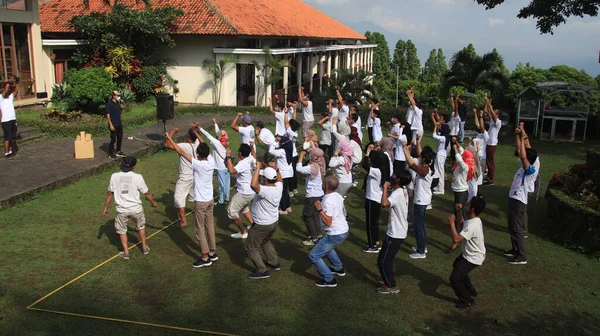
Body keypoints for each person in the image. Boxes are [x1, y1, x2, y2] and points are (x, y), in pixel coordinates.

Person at [165, 130, 218, 268]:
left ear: (199, 154)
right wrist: (196, 131)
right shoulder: (211, 160)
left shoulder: (198, 164)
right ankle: (213, 252)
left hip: (201, 202)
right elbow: (203, 143)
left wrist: (169, 137)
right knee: (210, 226)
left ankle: (205, 257)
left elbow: (181, 152)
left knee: (199, 229)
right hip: (210, 200)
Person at [102, 156, 158, 259]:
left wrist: (105, 208)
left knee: (122, 230)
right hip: (136, 209)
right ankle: (145, 248)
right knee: (141, 227)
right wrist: (153, 202)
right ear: (134, 167)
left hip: (121, 210)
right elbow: (147, 192)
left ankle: (126, 253)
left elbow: (110, 193)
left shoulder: (114, 176)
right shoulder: (138, 177)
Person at [504, 125, 539, 265]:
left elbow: (523, 154)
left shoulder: (530, 169)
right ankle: (515, 249)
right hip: (514, 198)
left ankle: (521, 255)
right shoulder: (524, 165)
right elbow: (521, 149)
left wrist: (522, 135)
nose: (520, 155)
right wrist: (517, 135)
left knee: (517, 228)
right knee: (512, 226)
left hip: (519, 201)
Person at [446, 195, 487, 308]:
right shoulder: (474, 220)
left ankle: (467, 300)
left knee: (454, 279)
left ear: (472, 209)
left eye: (468, 204)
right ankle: (471, 290)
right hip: (469, 254)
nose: (466, 204)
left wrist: (451, 223)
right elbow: (462, 224)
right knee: (457, 265)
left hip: (473, 257)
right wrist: (459, 211)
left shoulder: (472, 225)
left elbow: (456, 239)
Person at [246, 161, 283, 279]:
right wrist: (276, 169)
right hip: (274, 222)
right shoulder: (279, 186)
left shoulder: (265, 190)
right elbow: (280, 180)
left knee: (251, 247)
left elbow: (253, 185)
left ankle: (262, 270)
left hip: (261, 224)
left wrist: (257, 169)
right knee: (265, 241)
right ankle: (274, 262)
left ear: (266, 179)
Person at [310, 176, 349, 288]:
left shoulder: (327, 201)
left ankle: (329, 280)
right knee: (326, 247)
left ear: (326, 186)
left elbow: (328, 222)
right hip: (343, 230)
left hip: (335, 233)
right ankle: (338, 268)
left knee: (314, 256)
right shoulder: (337, 195)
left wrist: (319, 209)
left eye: (323, 183)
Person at [377, 170, 412, 294]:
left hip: (395, 234)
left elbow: (384, 203)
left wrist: (385, 188)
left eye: (395, 176)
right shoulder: (403, 191)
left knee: (384, 260)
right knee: (385, 259)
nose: (392, 176)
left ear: (398, 180)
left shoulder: (397, 193)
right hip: (398, 231)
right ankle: (387, 278)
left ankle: (391, 285)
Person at [403, 137, 435, 259]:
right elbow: (420, 155)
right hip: (422, 199)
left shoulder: (424, 170)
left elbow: (411, 163)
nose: (420, 157)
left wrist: (404, 149)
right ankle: (422, 246)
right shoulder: (428, 165)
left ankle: (421, 251)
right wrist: (418, 143)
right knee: (419, 225)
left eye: (421, 156)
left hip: (421, 200)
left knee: (418, 225)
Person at [163, 126, 199, 228]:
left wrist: (172, 131)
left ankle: (183, 221)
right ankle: (197, 212)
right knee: (195, 196)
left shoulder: (185, 146)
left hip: (185, 177)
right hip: (195, 175)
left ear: (188, 137)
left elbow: (167, 144)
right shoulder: (198, 144)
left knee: (179, 199)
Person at [362, 148, 390, 253]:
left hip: (371, 200)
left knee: (370, 224)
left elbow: (364, 165)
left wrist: (367, 153)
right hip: (376, 199)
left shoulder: (376, 171)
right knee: (374, 223)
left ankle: (372, 245)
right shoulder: (384, 170)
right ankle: (376, 242)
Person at [225, 143, 257, 239]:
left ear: (240, 153)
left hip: (244, 192)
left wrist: (228, 157)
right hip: (251, 191)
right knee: (244, 208)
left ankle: (243, 232)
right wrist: (252, 148)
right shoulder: (251, 159)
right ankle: (254, 225)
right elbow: (254, 156)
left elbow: (231, 171)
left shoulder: (242, 163)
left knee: (231, 211)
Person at [297, 144, 326, 246]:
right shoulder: (321, 162)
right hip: (319, 194)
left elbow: (299, 169)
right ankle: (318, 234)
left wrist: (301, 156)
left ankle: (313, 238)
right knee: (315, 215)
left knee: (307, 216)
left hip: (312, 195)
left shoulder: (313, 167)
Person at [450, 138, 474, 250]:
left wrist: (455, 149)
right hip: (459, 193)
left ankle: (460, 238)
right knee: (459, 215)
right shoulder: (464, 164)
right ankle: (461, 236)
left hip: (461, 194)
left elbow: (459, 157)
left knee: (460, 216)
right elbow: (462, 151)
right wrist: (456, 143)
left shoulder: (465, 167)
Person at [206, 118, 230, 207]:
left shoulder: (217, 143)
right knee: (227, 183)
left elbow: (208, 135)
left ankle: (221, 201)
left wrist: (199, 128)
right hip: (227, 165)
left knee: (221, 185)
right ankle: (226, 198)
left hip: (220, 167)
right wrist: (215, 123)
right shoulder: (225, 142)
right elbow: (218, 133)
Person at [269, 134, 294, 214]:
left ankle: (283, 209)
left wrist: (274, 142)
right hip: (289, 173)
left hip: (283, 174)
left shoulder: (282, 151)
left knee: (282, 191)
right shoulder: (288, 150)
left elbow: (271, 151)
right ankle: (288, 206)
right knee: (285, 190)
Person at [484, 94, 502, 185]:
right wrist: (487, 103)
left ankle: (491, 178)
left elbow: (493, 115)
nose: (493, 112)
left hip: (492, 143)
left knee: (490, 161)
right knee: (488, 160)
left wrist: (489, 104)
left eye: (495, 112)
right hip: (489, 142)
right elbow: (486, 111)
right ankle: (488, 177)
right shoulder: (492, 121)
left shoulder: (498, 122)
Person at [432, 111, 451, 195]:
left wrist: (435, 127)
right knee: (437, 170)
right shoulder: (445, 136)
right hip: (441, 154)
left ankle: (441, 189)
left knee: (439, 171)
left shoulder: (443, 137)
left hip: (441, 155)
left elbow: (434, 136)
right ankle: (437, 187)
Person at [1, 76, 19, 158]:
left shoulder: (10, 97)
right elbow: (6, 89)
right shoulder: (1, 98)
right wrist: (9, 81)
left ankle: (11, 151)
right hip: (5, 121)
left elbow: (15, 91)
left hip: (12, 119)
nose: (8, 90)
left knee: (12, 136)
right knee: (7, 137)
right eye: (7, 89)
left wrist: (17, 82)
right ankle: (6, 152)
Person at [106, 90, 126, 159]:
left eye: (118, 95)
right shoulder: (109, 104)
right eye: (117, 95)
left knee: (120, 138)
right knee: (113, 139)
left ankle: (118, 151)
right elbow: (108, 115)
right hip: (113, 124)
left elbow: (119, 112)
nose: (118, 97)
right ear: (113, 96)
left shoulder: (118, 103)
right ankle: (110, 153)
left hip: (119, 123)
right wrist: (110, 124)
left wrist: (122, 108)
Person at [473, 109, 490, 187]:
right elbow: (477, 124)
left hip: (481, 157)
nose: (479, 126)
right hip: (475, 156)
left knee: (480, 174)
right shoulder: (479, 134)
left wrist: (481, 116)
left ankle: (478, 190)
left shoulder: (485, 135)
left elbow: (482, 127)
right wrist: (475, 113)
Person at [285, 115, 300, 196]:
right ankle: (295, 188)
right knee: (294, 173)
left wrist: (285, 113)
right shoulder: (295, 132)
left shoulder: (289, 131)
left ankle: (290, 190)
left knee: (290, 173)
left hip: (290, 155)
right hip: (295, 155)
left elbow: (286, 123)